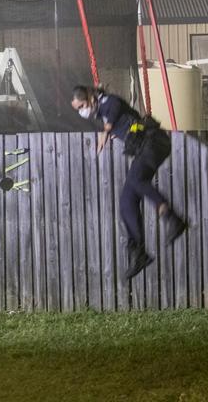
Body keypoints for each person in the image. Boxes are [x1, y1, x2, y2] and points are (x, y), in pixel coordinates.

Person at [71, 85, 186, 279]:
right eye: (78, 109)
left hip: (154, 142)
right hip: (145, 149)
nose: (82, 111)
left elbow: (115, 107)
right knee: (126, 201)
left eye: (81, 106)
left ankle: (172, 218)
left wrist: (106, 132)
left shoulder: (108, 103)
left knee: (136, 179)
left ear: (89, 99)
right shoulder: (101, 111)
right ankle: (138, 251)